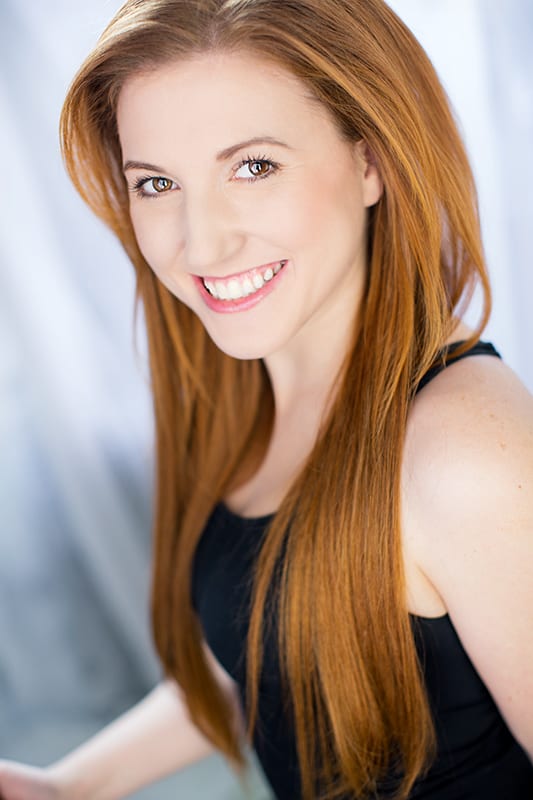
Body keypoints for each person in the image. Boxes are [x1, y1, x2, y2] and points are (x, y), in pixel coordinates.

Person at [1, 0, 532, 798]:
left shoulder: (461, 454)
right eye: (156, 183)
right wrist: (69, 785)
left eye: (253, 167)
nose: (202, 242)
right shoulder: (249, 386)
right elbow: (266, 648)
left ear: (370, 162)